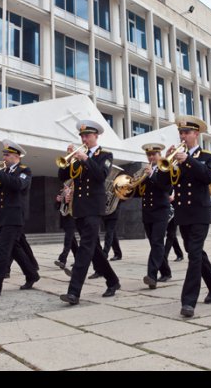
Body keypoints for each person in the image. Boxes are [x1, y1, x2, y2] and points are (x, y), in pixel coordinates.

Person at [58, 120, 120, 305]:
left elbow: (101, 175)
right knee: (94, 249)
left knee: (85, 249)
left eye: (87, 135)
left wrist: (85, 158)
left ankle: (73, 292)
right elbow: (62, 176)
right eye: (82, 136)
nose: (84, 138)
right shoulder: (78, 157)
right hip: (79, 207)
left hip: (94, 207)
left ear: (96, 136)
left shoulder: (105, 155)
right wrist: (68, 159)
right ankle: (113, 281)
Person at [168, 116, 211, 318]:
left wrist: (188, 160)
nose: (183, 136)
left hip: (200, 211)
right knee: (196, 252)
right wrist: (167, 163)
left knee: (193, 255)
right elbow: (168, 180)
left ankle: (188, 301)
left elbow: (210, 178)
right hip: (183, 212)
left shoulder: (209, 156)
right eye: (181, 133)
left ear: (196, 134)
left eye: (187, 133)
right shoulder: (176, 157)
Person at [0, 140, 40, 297]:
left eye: (7, 155)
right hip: (1, 215)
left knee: (3, 251)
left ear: (16, 156)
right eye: (4, 155)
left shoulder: (24, 170)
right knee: (15, 250)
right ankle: (32, 274)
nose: (4, 158)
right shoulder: (4, 172)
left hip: (13, 216)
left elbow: (18, 185)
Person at [135, 143, 173, 289]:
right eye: (149, 155)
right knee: (154, 244)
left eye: (154, 154)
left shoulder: (165, 168)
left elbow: (167, 188)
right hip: (147, 211)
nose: (151, 157)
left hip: (161, 210)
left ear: (159, 155)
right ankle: (166, 271)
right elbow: (140, 192)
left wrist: (151, 174)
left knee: (157, 242)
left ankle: (152, 276)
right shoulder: (145, 171)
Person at [54, 179, 78, 275]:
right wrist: (58, 200)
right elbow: (57, 207)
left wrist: (70, 198)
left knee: (68, 240)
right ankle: (78, 259)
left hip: (72, 218)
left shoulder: (77, 190)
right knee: (72, 242)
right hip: (64, 218)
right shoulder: (64, 190)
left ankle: (62, 260)